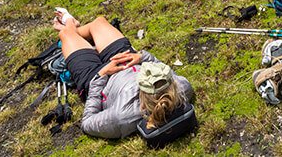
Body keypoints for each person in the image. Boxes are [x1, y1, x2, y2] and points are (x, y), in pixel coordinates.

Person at [51, 10, 194, 139]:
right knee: (99, 22)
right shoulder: (182, 88)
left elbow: (87, 123)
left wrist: (102, 75)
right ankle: (75, 31)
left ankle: (70, 24)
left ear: (142, 95)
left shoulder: (121, 118)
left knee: (65, 34)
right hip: (127, 58)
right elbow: (163, 69)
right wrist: (141, 57)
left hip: (97, 79)